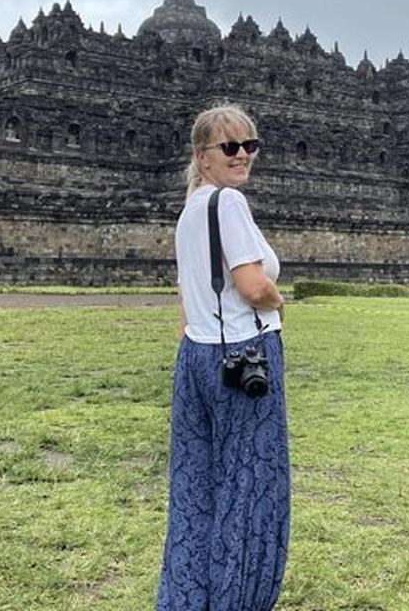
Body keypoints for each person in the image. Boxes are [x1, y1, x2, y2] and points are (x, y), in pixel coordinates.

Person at [157, 105, 289, 611]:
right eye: (229, 147)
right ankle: (240, 600)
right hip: (244, 358)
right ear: (203, 157)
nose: (242, 156)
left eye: (249, 146)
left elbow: (185, 294)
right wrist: (280, 302)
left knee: (196, 488)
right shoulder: (229, 204)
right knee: (249, 487)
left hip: (196, 356)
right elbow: (253, 285)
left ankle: (187, 600)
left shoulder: (190, 210)